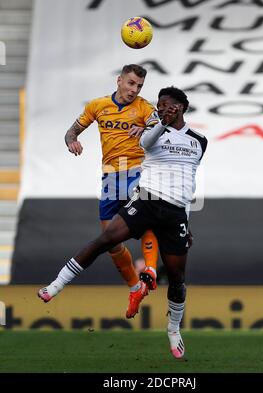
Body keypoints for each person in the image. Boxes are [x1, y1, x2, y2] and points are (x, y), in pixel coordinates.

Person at [38, 86, 207, 359]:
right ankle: (56, 284)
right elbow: (145, 145)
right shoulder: (153, 129)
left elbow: (189, 183)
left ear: (182, 107)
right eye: (159, 105)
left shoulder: (199, 141)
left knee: (177, 278)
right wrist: (161, 122)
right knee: (106, 239)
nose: (161, 108)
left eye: (167, 105)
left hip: (176, 212)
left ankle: (174, 330)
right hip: (147, 201)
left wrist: (186, 223)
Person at [64, 64, 160, 313]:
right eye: (130, 83)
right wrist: (72, 140)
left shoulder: (144, 108)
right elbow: (72, 131)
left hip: (138, 171)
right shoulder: (98, 106)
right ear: (119, 81)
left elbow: (161, 127)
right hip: (110, 177)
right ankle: (134, 288)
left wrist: (147, 128)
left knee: (147, 221)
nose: (134, 90)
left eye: (139, 86)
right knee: (110, 240)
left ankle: (149, 269)